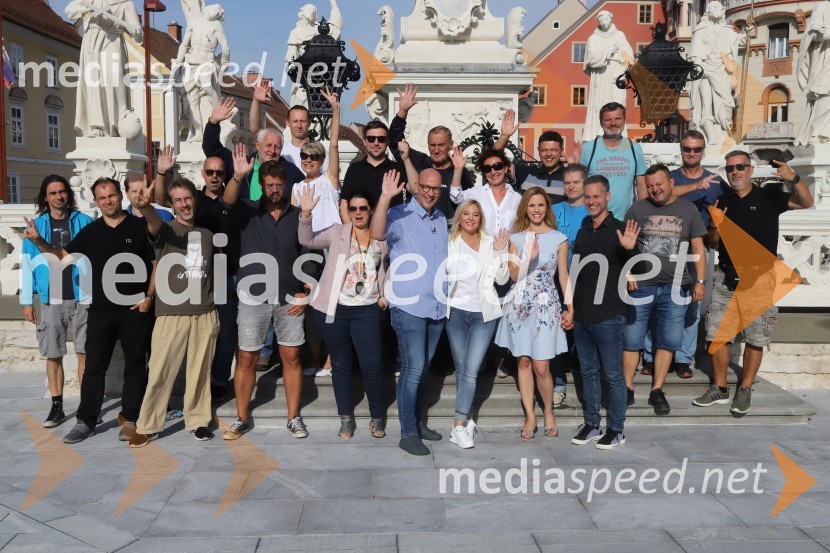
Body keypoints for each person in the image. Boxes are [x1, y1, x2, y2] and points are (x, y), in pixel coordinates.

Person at [22, 178, 154, 444]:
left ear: (120, 196)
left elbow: (156, 262)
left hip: (134, 309)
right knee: (94, 367)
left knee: (136, 366)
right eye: (102, 198)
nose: (108, 201)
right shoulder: (91, 232)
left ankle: (130, 417)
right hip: (100, 310)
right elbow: (61, 256)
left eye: (112, 196)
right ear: (96, 201)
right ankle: (87, 421)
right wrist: (39, 242)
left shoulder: (140, 227)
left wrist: (149, 296)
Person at [694, 152, 813, 414]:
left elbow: (806, 201)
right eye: (730, 168)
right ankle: (720, 388)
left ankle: (745, 389)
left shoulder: (769, 195)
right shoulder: (721, 200)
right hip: (726, 277)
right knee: (716, 336)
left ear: (750, 170)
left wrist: (793, 177)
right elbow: (712, 243)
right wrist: (715, 227)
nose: (734, 172)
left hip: (760, 278)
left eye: (740, 167)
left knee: (755, 338)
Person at [222, 156, 315, 440]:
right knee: (247, 358)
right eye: (270, 184)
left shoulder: (298, 214)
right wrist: (238, 176)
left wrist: (306, 288)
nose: (275, 189)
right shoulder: (247, 212)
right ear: (261, 185)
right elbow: (227, 201)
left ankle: (293, 417)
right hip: (253, 297)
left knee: (291, 357)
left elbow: (308, 251)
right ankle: (240, 417)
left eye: (279, 185)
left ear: (286, 185)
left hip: (289, 297)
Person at [128, 177, 218, 447]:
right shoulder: (165, 230)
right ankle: (148, 425)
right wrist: (145, 208)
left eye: (187, 198)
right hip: (171, 314)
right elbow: (153, 222)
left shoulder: (208, 235)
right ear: (171, 205)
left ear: (194, 200)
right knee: (160, 372)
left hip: (204, 313)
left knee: (200, 373)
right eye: (177, 200)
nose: (184, 204)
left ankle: (199, 421)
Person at [298, 186, 389, 439]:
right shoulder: (338, 232)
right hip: (336, 309)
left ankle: (377, 417)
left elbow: (393, 271)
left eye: (363, 208)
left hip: (367, 310)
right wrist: (306, 214)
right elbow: (308, 240)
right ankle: (346, 418)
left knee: (372, 366)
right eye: (353, 209)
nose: (358, 213)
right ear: (347, 212)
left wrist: (385, 299)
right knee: (341, 365)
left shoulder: (381, 236)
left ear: (370, 211)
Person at [154, 149, 243, 400]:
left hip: (226, 275)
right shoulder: (193, 201)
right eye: (210, 172)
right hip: (195, 277)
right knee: (193, 337)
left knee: (225, 333)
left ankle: (217, 381)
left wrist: (238, 176)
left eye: (220, 172)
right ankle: (190, 388)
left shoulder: (231, 200)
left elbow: (233, 198)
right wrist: (161, 172)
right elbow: (162, 199)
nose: (215, 176)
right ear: (203, 174)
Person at [370, 168, 447, 456]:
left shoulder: (440, 218)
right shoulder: (399, 214)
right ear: (416, 186)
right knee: (413, 369)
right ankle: (408, 432)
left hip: (437, 307)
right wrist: (385, 196)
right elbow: (377, 233)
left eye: (436, 189)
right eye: (426, 187)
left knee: (423, 369)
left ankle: (417, 421)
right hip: (409, 307)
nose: (430, 192)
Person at [622, 165, 707, 416]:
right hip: (641, 285)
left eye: (659, 184)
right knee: (631, 339)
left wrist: (700, 281)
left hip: (676, 286)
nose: (655, 189)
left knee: (668, 341)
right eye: (650, 186)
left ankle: (657, 390)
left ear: (671, 182)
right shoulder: (638, 208)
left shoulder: (688, 209)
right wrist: (627, 272)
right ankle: (627, 388)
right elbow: (625, 245)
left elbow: (698, 248)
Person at [641, 130, 727, 378]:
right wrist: (695, 187)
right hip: (665, 247)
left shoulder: (716, 182)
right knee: (656, 302)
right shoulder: (671, 178)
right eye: (688, 149)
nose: (692, 153)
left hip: (700, 248)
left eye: (697, 149)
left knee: (693, 306)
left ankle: (682, 358)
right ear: (681, 150)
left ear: (703, 150)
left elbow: (729, 208)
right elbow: (652, 195)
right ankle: (651, 355)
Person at [494, 187, 572, 440]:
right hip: (519, 306)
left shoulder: (559, 238)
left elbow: (563, 276)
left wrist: (569, 306)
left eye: (541, 205)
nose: (536, 210)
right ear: (525, 209)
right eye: (532, 205)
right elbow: (514, 276)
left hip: (547, 307)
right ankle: (530, 415)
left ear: (547, 208)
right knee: (524, 362)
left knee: (542, 366)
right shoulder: (516, 239)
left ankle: (549, 411)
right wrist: (530, 257)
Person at [570, 175, 639, 449]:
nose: (591, 201)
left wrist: (629, 251)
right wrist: (570, 307)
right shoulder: (583, 228)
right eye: (587, 197)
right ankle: (592, 424)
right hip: (582, 315)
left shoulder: (622, 230)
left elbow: (643, 269)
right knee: (587, 372)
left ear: (608, 196)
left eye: (596, 196)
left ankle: (617, 429)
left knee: (612, 374)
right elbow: (575, 271)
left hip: (609, 314)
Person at [20, 176, 93, 428]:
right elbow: (27, 266)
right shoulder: (36, 226)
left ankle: (85, 409)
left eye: (62, 192)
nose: (58, 197)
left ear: (68, 194)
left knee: (84, 353)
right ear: (45, 198)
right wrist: (27, 301)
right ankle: (57, 407)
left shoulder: (84, 221)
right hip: (51, 298)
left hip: (83, 295)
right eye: (53, 193)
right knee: (53, 354)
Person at [445, 200, 510, 449]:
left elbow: (502, 278)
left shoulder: (488, 242)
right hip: (456, 314)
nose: (471, 218)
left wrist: (500, 251)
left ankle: (458, 425)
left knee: (470, 369)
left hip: (483, 315)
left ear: (480, 218)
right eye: (466, 214)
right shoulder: (449, 242)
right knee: (463, 369)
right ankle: (469, 416)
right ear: (460, 217)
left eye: (475, 214)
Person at [389, 83, 474, 219]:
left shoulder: (460, 172)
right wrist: (402, 112)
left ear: (451, 145)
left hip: (450, 233)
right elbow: (394, 141)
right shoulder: (419, 161)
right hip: (421, 229)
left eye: (441, 145)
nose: (436, 150)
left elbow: (467, 204)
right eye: (432, 145)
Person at [64, 0, 143, 137]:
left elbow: (138, 34)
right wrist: (85, 9)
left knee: (116, 78)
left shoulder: (126, 3)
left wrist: (136, 31)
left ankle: (118, 123)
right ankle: (97, 127)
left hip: (114, 39)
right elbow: (70, 10)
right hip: (92, 41)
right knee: (94, 83)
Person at [204, 96, 304, 201]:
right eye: (268, 145)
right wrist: (213, 122)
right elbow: (212, 149)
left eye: (277, 147)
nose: (272, 151)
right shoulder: (240, 163)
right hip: (246, 216)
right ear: (257, 145)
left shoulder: (290, 171)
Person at [551, 164, 591, 406]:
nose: (571, 186)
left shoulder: (593, 210)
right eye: (567, 183)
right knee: (557, 334)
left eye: (576, 182)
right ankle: (558, 383)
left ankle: (586, 383)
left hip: (587, 283)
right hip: (558, 282)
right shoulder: (554, 211)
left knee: (582, 336)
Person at [579, 102, 647, 221]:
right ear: (601, 123)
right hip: (594, 220)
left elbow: (641, 187)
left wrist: (643, 216)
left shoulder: (634, 148)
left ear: (624, 120)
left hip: (626, 221)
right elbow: (580, 186)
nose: (613, 123)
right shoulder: (588, 149)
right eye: (608, 119)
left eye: (618, 119)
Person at [688, 0, 744, 146]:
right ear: (708, 11)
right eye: (713, 7)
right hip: (705, 74)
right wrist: (702, 70)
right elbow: (695, 55)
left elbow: (739, 42)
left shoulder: (727, 30)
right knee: (706, 105)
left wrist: (747, 35)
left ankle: (724, 132)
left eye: (719, 7)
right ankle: (710, 137)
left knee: (727, 104)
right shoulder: (700, 30)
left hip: (722, 73)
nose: (717, 9)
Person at [175, 3, 230, 143]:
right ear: (207, 9)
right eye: (216, 8)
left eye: (219, 11)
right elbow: (184, 44)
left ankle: (219, 112)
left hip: (207, 63)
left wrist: (225, 63)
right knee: (192, 99)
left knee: (206, 86)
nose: (218, 11)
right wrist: (178, 61)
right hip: (191, 63)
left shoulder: (216, 25)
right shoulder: (193, 23)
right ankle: (198, 132)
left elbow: (224, 46)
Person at [290, 87, 341, 232]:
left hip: (332, 240)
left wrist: (336, 111)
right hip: (309, 243)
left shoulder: (329, 179)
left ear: (322, 160)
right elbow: (294, 221)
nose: (308, 160)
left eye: (314, 157)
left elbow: (334, 144)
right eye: (304, 156)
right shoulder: (296, 188)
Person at [339, 120, 407, 222]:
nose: (376, 143)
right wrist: (352, 234)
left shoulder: (398, 169)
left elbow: (416, 192)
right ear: (364, 141)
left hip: (393, 232)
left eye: (381, 139)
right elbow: (344, 206)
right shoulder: (354, 169)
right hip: (360, 233)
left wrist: (407, 159)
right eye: (371, 139)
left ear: (387, 142)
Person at [582, 10, 634, 140]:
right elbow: (591, 59)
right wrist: (608, 52)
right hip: (601, 76)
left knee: (618, 102)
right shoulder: (593, 38)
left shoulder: (620, 35)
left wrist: (623, 73)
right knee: (600, 105)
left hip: (617, 74)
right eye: (600, 21)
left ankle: (620, 134)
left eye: (605, 19)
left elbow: (629, 55)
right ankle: (598, 133)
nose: (603, 22)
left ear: (611, 18)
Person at [495, 110, 568, 201]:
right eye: (544, 150)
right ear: (538, 151)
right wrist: (504, 136)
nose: (548, 154)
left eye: (553, 150)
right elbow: (494, 159)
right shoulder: (526, 173)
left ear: (562, 151)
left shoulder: (570, 177)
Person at [447, 149, 522, 236]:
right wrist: (458, 169)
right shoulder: (477, 193)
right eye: (487, 168)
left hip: (508, 248)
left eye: (497, 166)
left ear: (505, 169)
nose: (493, 172)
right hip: (482, 248)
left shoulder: (517, 198)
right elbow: (456, 196)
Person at [796, 0, 830, 145]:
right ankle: (817, 133)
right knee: (825, 95)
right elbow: (809, 36)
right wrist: (824, 35)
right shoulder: (823, 7)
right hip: (825, 61)